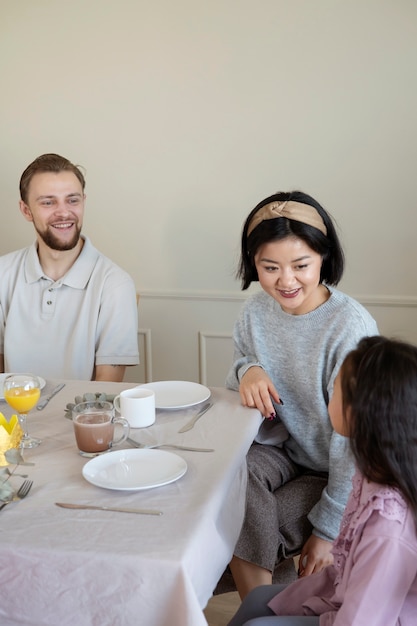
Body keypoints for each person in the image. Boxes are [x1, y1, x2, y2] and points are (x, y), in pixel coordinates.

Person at [225, 191, 378, 599]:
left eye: (301, 265)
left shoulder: (349, 327)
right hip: (281, 453)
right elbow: (238, 381)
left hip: (338, 471)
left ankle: (259, 614)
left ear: (324, 258)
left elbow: (355, 443)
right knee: (228, 475)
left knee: (242, 523)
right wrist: (247, 369)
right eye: (269, 267)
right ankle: (270, 614)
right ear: (253, 263)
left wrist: (327, 531)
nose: (286, 280)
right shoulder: (255, 313)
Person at [227, 336, 417, 625]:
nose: (329, 390)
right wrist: (294, 596)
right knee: (258, 599)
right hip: (343, 594)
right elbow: (346, 571)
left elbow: (361, 619)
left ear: (357, 412)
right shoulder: (372, 473)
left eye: (335, 386)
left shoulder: (388, 529)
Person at [0, 153, 139, 381]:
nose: (64, 212)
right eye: (48, 202)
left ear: (83, 201)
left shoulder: (115, 284)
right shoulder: (2, 275)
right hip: (12, 416)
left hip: (80, 417)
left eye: (72, 200)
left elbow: (103, 393)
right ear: (26, 210)